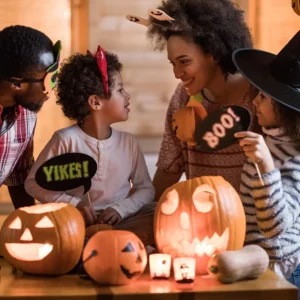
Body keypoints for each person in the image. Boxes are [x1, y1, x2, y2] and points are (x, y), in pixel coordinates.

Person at [25, 47, 156, 246]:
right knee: (47, 230)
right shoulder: (65, 139)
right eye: (120, 90)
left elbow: (145, 189)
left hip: (121, 221)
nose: (127, 96)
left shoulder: (128, 143)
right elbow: (33, 183)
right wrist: (73, 205)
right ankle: (102, 246)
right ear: (95, 102)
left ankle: (99, 245)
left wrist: (121, 209)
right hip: (73, 223)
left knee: (158, 213)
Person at [143, 0, 261, 200]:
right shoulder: (183, 97)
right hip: (201, 216)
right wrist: (139, 211)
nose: (177, 73)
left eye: (184, 61)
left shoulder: (260, 98)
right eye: (173, 63)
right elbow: (169, 168)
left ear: (213, 52)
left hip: (253, 222)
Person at [233, 31, 300, 288]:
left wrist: (266, 166)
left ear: (283, 106)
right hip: (258, 265)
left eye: (262, 97)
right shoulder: (268, 143)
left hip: (286, 271)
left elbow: (275, 227)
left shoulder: (295, 157)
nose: (253, 101)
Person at [0, 25, 60, 209]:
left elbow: (18, 176)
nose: (51, 91)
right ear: (17, 84)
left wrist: (29, 222)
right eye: (46, 82)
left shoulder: (26, 118)